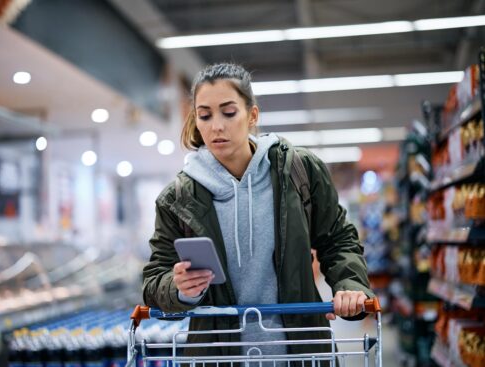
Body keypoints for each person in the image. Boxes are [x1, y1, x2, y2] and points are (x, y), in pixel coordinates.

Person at [142, 63, 374, 361]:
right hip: (218, 354)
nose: (217, 126)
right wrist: (180, 288)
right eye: (205, 115)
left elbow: (338, 239)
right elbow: (154, 282)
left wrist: (350, 285)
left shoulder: (298, 171)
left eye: (228, 112)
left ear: (252, 116)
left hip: (302, 352)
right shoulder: (177, 198)